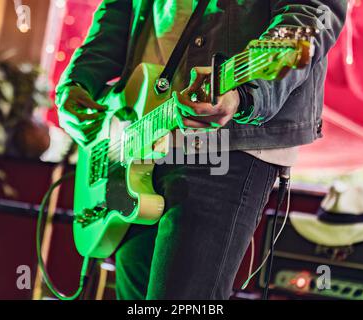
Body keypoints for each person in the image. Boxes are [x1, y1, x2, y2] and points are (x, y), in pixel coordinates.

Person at [55, 0, 347, 300]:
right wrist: (78, 80)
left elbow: (312, 16)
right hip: (136, 129)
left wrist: (246, 93)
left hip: (225, 139)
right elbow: (120, 9)